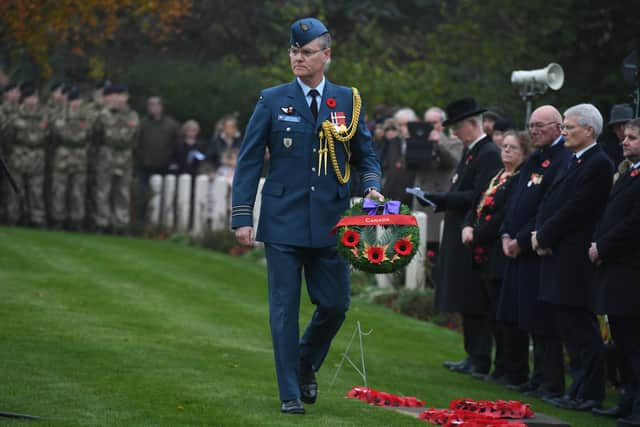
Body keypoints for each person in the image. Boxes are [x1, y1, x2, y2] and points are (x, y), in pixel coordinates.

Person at [231, 17, 382, 415]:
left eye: (307, 52)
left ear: (326, 56)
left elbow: (365, 154)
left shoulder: (348, 100)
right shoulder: (271, 99)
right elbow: (248, 162)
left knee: (335, 304)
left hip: (331, 221)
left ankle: (303, 364)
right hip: (282, 220)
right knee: (283, 310)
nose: (298, 58)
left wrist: (371, 185)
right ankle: (289, 394)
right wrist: (242, 215)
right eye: (294, 51)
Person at [533, 103, 613, 411]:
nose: (563, 132)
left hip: (574, 257)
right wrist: (538, 232)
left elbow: (577, 209)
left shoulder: (599, 164)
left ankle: (589, 392)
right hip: (556, 252)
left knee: (580, 327)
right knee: (567, 326)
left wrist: (545, 235)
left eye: (569, 127)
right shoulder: (573, 160)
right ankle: (577, 388)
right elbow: (551, 200)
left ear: (589, 131)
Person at [414, 97, 502, 375]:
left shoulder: (487, 153)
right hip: (457, 228)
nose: (454, 133)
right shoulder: (472, 152)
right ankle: (472, 354)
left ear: (473, 125)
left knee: (474, 298)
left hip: (471, 233)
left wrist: (442, 198)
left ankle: (480, 356)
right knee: (465, 298)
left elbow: (479, 195)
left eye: (458, 127)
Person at [498, 106, 570, 399]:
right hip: (516, 246)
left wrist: (522, 239)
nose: (535, 130)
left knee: (543, 320)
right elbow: (515, 201)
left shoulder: (562, 159)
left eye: (541, 126)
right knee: (524, 316)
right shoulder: (535, 159)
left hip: (536, 249)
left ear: (557, 127)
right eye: (531, 126)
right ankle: (536, 377)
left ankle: (550, 381)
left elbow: (546, 208)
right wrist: (505, 233)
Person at [462, 130, 529, 385]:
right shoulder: (498, 176)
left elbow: (502, 216)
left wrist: (477, 235)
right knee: (491, 313)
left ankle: (512, 368)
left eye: (513, 148)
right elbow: (477, 204)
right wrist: (468, 225)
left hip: (498, 252)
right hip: (483, 254)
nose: (507, 151)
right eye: (505, 147)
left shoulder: (518, 180)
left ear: (524, 153)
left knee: (505, 315)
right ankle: (500, 367)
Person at [589, 118, 640, 425]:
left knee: (634, 342)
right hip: (615, 268)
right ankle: (628, 398)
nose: (625, 141)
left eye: (633, 137)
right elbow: (610, 213)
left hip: (631, 270)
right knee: (621, 340)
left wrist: (603, 246)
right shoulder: (627, 174)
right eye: (626, 137)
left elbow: (634, 223)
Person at [93, 83, 140, 234]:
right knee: (103, 190)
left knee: (123, 191)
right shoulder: (103, 114)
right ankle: (103, 222)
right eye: (116, 96)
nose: (119, 99)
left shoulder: (132, 115)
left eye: (122, 96)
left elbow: (132, 135)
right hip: (107, 154)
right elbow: (97, 133)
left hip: (125, 156)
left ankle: (121, 223)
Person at [414, 106, 463, 242]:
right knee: (420, 242)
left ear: (442, 124)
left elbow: (452, 162)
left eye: (434, 123)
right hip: (421, 199)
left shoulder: (454, 143)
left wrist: (439, 143)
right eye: (427, 123)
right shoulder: (419, 143)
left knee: (438, 241)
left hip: (440, 199)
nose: (430, 126)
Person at [50, 87, 96, 230]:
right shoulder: (59, 115)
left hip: (80, 156)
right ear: (69, 102)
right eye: (74, 100)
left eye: (78, 100)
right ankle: (58, 220)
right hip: (63, 154)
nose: (76, 103)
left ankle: (76, 220)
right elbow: (55, 134)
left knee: (78, 191)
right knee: (60, 190)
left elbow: (90, 134)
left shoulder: (86, 116)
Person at [4, 82, 49, 227]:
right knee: (16, 189)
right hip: (19, 156)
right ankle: (13, 217)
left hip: (37, 157)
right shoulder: (16, 115)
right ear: (24, 99)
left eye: (35, 98)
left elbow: (50, 138)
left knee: (36, 191)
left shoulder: (42, 116)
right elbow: (7, 138)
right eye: (30, 98)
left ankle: (37, 219)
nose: (33, 101)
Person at [136, 96, 179, 222]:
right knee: (143, 195)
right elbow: (136, 143)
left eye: (156, 105)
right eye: (151, 105)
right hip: (145, 166)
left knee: (165, 196)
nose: (153, 107)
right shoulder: (142, 123)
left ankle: (163, 221)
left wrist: (173, 161)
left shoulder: (171, 124)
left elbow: (177, 144)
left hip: (165, 166)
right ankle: (142, 221)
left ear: (161, 106)